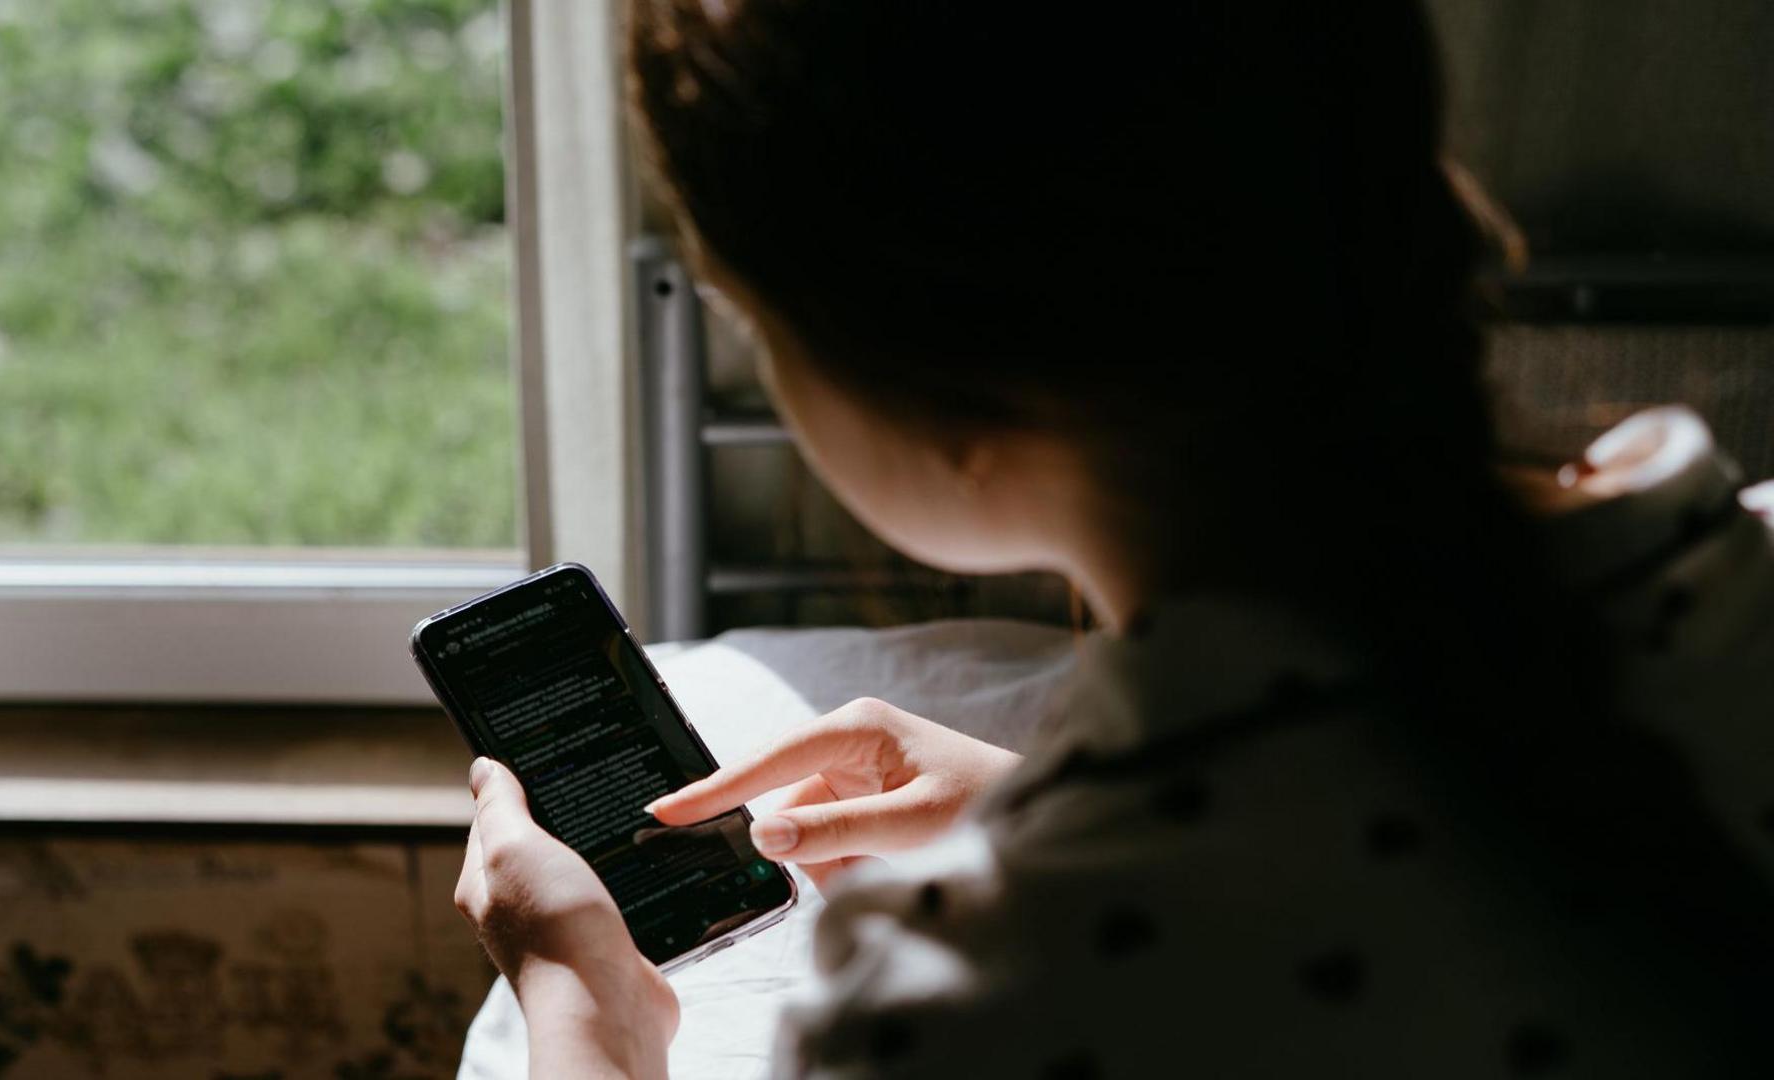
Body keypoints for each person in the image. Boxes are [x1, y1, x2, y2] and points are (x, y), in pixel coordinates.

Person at [451, 2, 1774, 1075]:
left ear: (931, 369)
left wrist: (584, 1016)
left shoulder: (971, 1003)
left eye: (756, 318)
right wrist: (1044, 799)